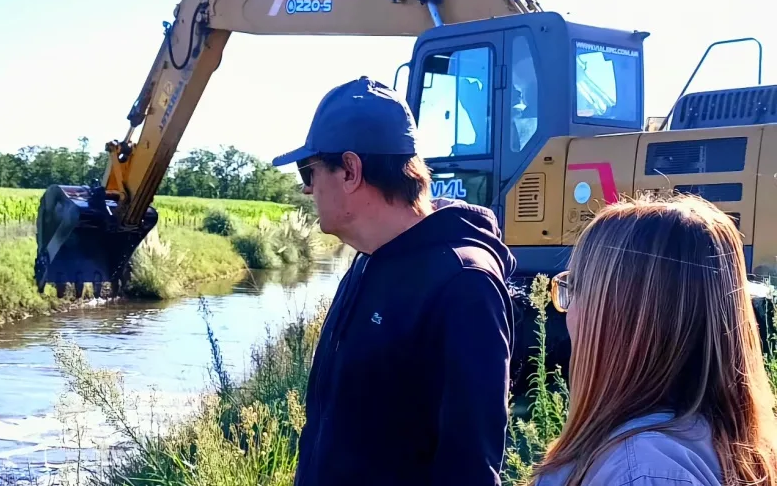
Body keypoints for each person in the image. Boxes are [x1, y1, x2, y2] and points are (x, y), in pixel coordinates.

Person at [271, 76, 517, 486]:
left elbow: (470, 468)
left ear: (350, 170)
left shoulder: (465, 285)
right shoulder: (367, 260)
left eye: (308, 171)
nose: (306, 188)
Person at [533, 194, 777, 486]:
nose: (568, 311)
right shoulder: (725, 444)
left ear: (619, 317)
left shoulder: (639, 471)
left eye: (574, 289)